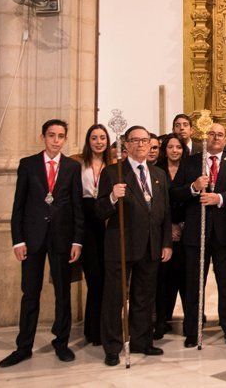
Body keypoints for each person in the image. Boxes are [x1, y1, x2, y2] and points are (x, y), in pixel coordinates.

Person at [1, 119, 83, 368]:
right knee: (30, 293)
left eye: (60, 136)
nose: (56, 140)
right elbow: (19, 206)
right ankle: (23, 346)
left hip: (62, 238)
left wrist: (77, 240)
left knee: (62, 293)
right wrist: (18, 241)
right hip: (33, 238)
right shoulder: (28, 165)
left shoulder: (71, 167)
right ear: (43, 137)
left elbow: (77, 206)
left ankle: (61, 343)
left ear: (65, 139)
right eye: (51, 135)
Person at [96, 126, 172, 365]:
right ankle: (112, 346)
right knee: (115, 298)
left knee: (144, 297)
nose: (141, 145)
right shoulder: (113, 173)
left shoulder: (158, 173)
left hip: (151, 245)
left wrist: (166, 243)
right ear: (125, 145)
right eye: (135, 140)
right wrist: (111, 197)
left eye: (145, 140)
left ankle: (141, 340)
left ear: (151, 143)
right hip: (122, 245)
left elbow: (165, 212)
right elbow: (99, 211)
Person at [171, 123, 226, 347]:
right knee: (194, 284)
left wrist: (220, 199)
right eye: (212, 134)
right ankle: (192, 330)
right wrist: (194, 187)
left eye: (220, 134)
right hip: (196, 233)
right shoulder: (190, 163)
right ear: (205, 137)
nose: (216, 137)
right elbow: (175, 193)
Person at [72, 124, 112, 347]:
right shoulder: (78, 163)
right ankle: (92, 329)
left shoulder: (113, 165)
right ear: (88, 141)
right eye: (94, 138)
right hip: (86, 222)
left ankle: (106, 327)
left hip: (107, 220)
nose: (99, 142)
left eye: (102, 138)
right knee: (95, 278)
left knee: (108, 278)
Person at [153, 134, 188, 339]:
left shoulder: (190, 169)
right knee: (162, 279)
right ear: (164, 149)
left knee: (185, 277)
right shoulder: (157, 171)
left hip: (185, 231)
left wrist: (181, 225)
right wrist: (170, 227)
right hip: (163, 232)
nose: (175, 151)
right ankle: (161, 319)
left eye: (179, 147)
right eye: (171, 147)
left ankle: (191, 318)